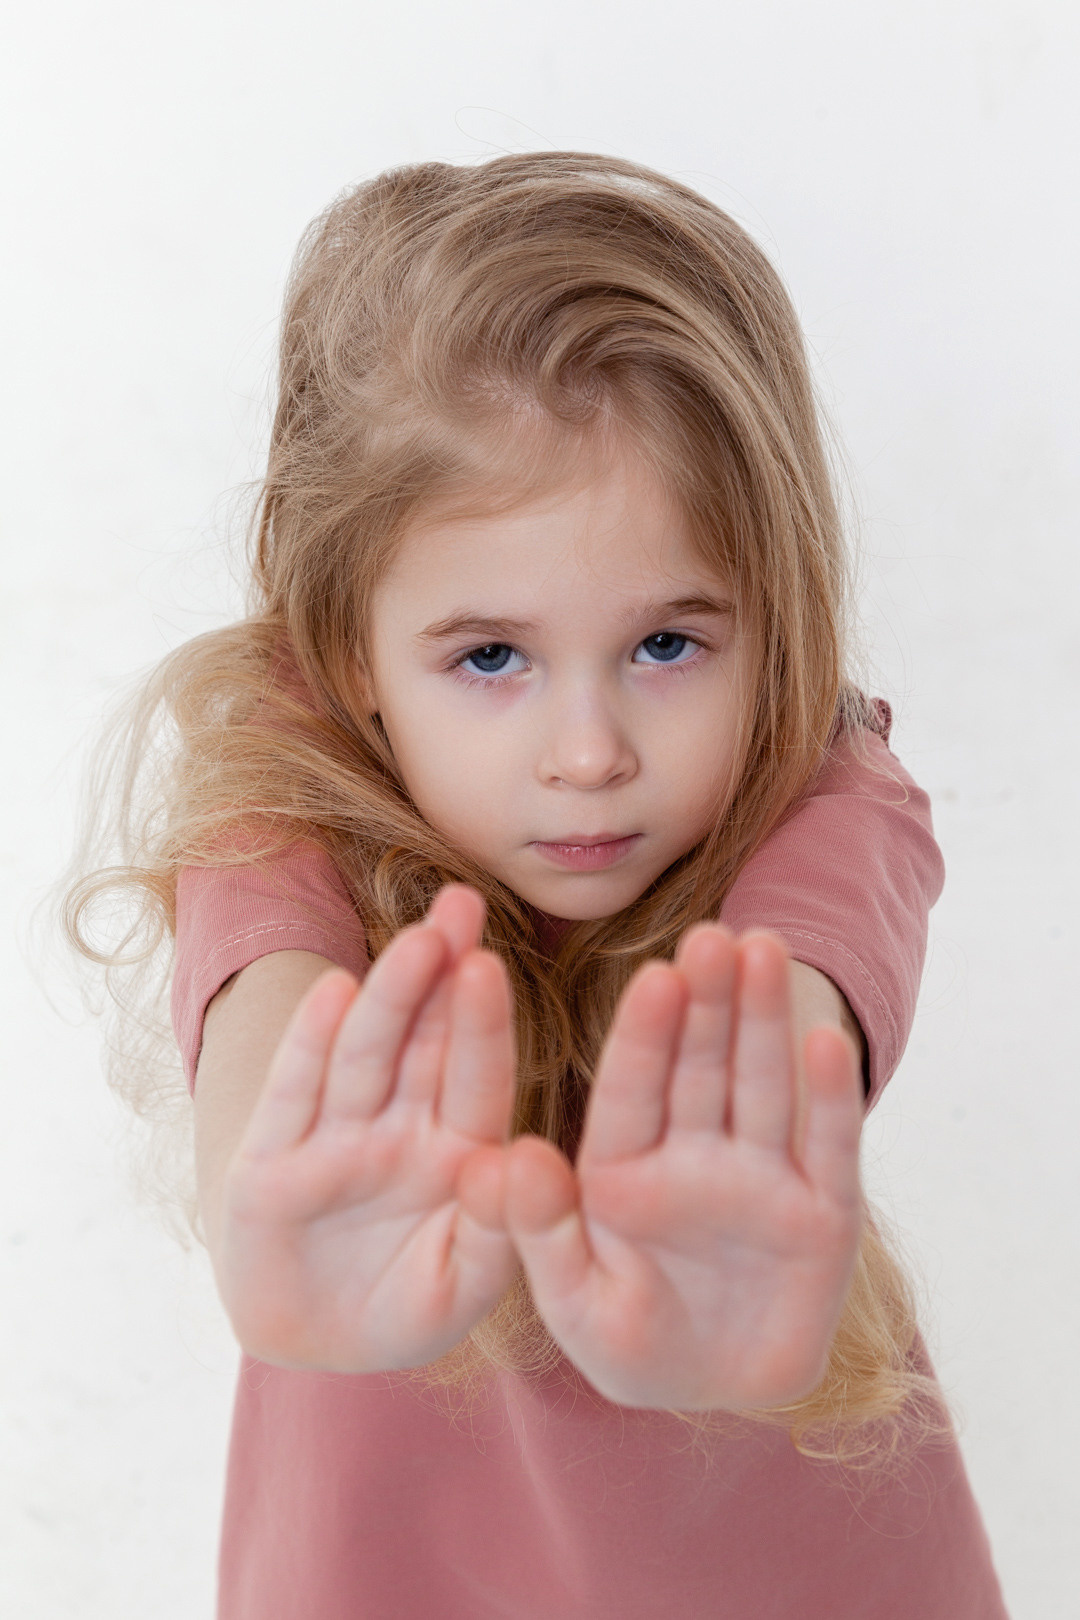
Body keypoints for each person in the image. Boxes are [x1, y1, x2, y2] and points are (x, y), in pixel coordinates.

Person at [63, 152, 1008, 1617]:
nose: (588, 754)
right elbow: (269, 998)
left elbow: (801, 989)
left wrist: (773, 1133)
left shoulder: (826, 792)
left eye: (669, 645)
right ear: (345, 650)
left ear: (781, 612)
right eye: (490, 657)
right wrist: (271, 1197)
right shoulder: (279, 800)